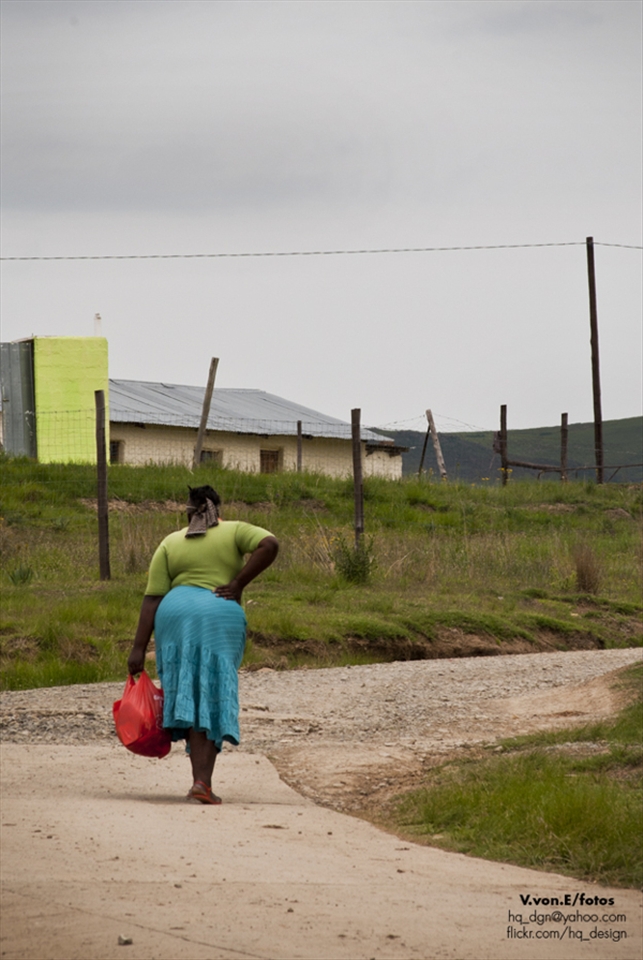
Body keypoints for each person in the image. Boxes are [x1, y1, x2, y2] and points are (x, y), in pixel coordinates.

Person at [127, 484, 278, 804]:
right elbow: (270, 544)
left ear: (189, 510)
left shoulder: (171, 541)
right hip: (218, 619)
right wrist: (237, 584)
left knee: (189, 694)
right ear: (217, 509)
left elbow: (153, 598)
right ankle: (202, 782)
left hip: (175, 620)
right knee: (210, 694)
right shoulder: (235, 530)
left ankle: (200, 781)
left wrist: (139, 647)